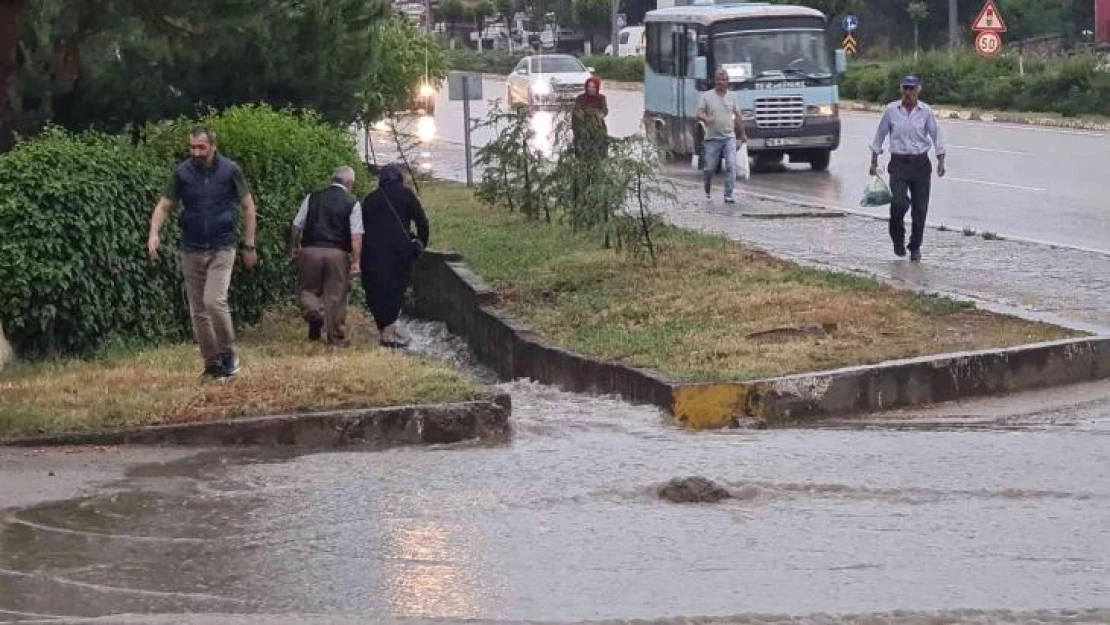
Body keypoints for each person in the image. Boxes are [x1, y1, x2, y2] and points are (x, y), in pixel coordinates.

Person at [148, 127, 258, 379]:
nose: (196, 152)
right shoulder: (182, 173)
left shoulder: (230, 170)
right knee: (198, 310)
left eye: (201, 147)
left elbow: (248, 207)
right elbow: (164, 206)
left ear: (213, 146)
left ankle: (228, 354)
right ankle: (211, 364)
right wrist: (154, 233)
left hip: (223, 246)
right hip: (192, 248)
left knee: (214, 301)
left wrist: (249, 244)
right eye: (192, 147)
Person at [870, 74, 947, 262]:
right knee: (898, 203)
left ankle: (915, 246)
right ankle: (898, 240)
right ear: (901, 89)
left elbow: (937, 136)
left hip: (920, 164)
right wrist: (873, 161)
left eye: (912, 88)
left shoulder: (926, 111)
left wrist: (941, 161)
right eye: (905, 88)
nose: (908, 92)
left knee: (920, 208)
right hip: (898, 163)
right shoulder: (891, 110)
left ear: (918, 90)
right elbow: (880, 136)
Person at [290, 166, 364, 347]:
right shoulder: (352, 202)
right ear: (350, 184)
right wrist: (356, 261)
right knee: (336, 295)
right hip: (337, 254)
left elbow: (297, 225)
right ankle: (336, 338)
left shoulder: (312, 197)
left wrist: (295, 246)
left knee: (307, 290)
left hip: (310, 250)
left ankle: (314, 314)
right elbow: (356, 236)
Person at [359, 165, 430, 348]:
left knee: (374, 288)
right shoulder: (407, 195)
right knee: (396, 288)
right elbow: (422, 222)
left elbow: (360, 228)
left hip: (371, 253)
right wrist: (421, 243)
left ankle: (384, 329)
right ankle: (387, 334)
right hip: (399, 252)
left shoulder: (370, 199)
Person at [696, 68, 748, 204]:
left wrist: (742, 134)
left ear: (728, 82)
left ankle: (728, 194)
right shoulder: (706, 96)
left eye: (724, 79)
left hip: (728, 137)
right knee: (709, 168)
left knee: (731, 165)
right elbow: (699, 113)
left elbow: (738, 116)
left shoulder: (732, 97)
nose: (721, 82)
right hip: (712, 139)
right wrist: (705, 118)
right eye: (718, 79)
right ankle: (707, 189)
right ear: (715, 81)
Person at [572, 76, 609, 160]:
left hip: (598, 128)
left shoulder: (601, 98)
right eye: (588, 86)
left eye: (593, 87)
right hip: (582, 128)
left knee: (599, 151)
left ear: (597, 88)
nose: (590, 89)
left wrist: (599, 116)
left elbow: (605, 110)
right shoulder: (580, 98)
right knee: (582, 153)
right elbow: (576, 111)